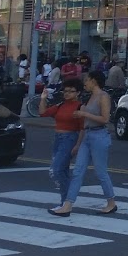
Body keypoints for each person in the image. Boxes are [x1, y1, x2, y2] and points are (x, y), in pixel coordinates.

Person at [49, 72, 117, 216]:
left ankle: (111, 202)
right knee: (78, 171)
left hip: (99, 135)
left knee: (101, 172)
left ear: (94, 81)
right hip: (87, 134)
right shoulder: (89, 97)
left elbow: (105, 119)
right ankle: (68, 205)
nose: (85, 83)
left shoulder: (103, 96)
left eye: (87, 80)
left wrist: (84, 114)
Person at [41, 78, 84, 206]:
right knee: (62, 170)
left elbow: (83, 128)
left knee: (57, 169)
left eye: (71, 91)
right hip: (58, 138)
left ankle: (67, 200)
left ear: (78, 93)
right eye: (65, 91)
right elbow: (43, 113)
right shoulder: (61, 105)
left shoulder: (80, 107)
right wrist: (43, 98)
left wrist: (77, 145)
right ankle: (65, 200)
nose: (67, 94)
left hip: (70, 138)